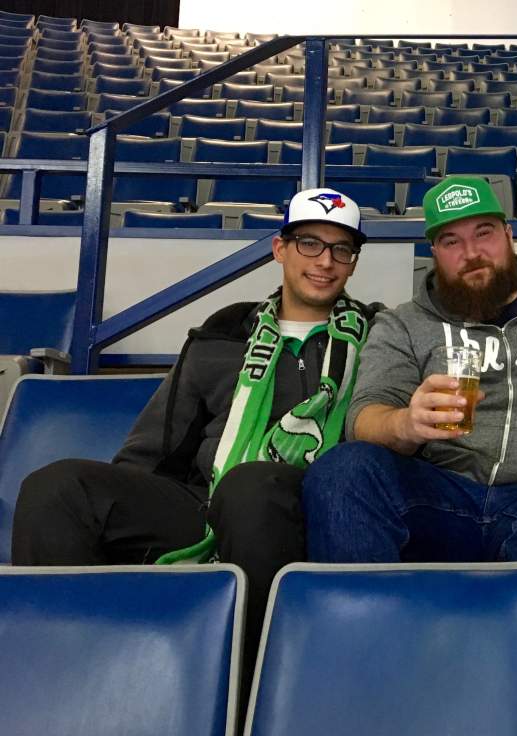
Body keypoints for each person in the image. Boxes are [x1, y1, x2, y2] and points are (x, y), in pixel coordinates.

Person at [12, 187, 378, 657]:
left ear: (352, 262)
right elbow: (154, 449)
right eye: (310, 243)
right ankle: (64, 664)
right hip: (204, 505)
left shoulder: (378, 336)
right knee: (57, 487)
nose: (325, 261)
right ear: (279, 249)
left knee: (250, 488)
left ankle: (255, 677)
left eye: (341, 249)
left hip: (306, 511)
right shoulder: (222, 333)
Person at [301, 176, 517, 635]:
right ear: (433, 252)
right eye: (451, 240)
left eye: (483, 233)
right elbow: (364, 416)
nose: (471, 252)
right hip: (437, 493)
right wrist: (406, 424)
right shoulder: (402, 324)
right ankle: (363, 649)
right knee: (344, 469)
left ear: (509, 236)